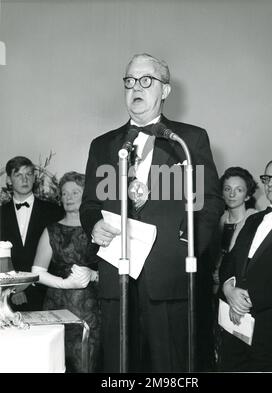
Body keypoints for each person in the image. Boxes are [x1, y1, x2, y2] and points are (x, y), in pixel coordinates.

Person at [79, 53, 224, 372]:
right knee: (119, 368)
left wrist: (188, 249)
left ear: (165, 90)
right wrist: (94, 226)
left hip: (170, 279)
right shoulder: (103, 145)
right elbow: (89, 205)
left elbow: (210, 201)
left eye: (146, 80)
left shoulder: (188, 140)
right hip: (117, 279)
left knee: (170, 369)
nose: (136, 88)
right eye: (129, 82)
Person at [218, 158, 272, 371]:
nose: (270, 182)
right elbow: (230, 261)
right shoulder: (254, 219)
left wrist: (246, 300)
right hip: (234, 325)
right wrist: (228, 289)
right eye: (267, 177)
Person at [32, 171, 101, 373]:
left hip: (92, 312)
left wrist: (94, 275)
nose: (68, 197)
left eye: (74, 192)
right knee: (56, 365)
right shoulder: (51, 230)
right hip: (56, 311)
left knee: (87, 366)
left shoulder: (98, 229)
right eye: (64, 193)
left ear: (86, 195)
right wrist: (65, 283)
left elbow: (117, 271)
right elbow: (37, 272)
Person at [0, 156, 63, 311]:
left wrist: (28, 284)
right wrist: (11, 289)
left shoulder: (54, 212)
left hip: (45, 293)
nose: (24, 179)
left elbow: (59, 256)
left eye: (28, 174)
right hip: (5, 297)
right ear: (9, 180)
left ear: (34, 178)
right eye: (18, 175)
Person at [212, 166, 258, 294]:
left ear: (248, 196)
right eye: (227, 189)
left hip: (241, 291)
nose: (232, 194)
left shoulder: (255, 222)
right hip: (215, 291)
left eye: (239, 190)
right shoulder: (217, 221)